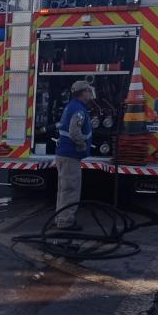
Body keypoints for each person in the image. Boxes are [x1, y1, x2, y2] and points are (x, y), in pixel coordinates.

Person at [54, 80, 94, 231]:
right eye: (88, 91)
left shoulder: (71, 106)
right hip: (71, 155)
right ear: (83, 93)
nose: (90, 94)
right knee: (71, 189)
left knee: (63, 189)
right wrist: (82, 146)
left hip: (64, 154)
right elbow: (74, 131)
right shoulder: (79, 110)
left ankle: (59, 218)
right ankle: (66, 222)